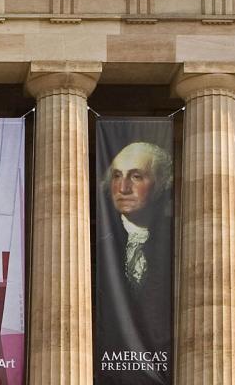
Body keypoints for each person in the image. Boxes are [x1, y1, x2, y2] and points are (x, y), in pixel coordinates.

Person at [95, 141, 174, 384]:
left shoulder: (178, 244)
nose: (123, 187)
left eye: (136, 176)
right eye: (117, 176)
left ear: (162, 184)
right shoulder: (94, 247)